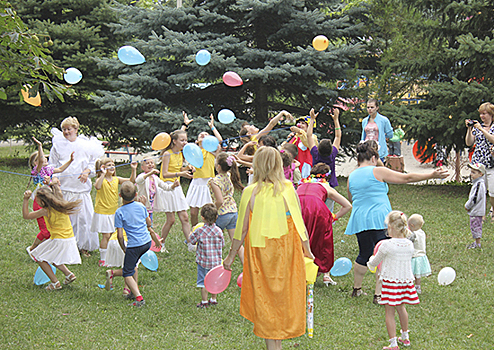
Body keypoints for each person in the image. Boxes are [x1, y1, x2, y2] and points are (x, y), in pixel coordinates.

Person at [223, 146, 314, 350]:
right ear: (278, 165)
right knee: (283, 296)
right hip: (287, 250)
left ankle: (273, 346)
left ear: (257, 165)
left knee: (265, 298)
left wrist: (230, 257)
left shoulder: (250, 192)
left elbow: (241, 230)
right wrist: (307, 249)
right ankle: (276, 345)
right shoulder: (288, 188)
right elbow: (300, 224)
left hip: (260, 253)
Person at [344, 141, 447, 302]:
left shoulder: (352, 176)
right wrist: (432, 175)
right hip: (379, 218)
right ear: (373, 158)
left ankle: (356, 289)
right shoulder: (378, 171)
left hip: (360, 219)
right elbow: (407, 178)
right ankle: (379, 294)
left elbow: (351, 198)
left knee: (364, 253)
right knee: (384, 255)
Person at [49, 116, 104, 257]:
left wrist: (87, 172)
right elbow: (52, 165)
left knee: (83, 220)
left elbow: (94, 163)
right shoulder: (57, 145)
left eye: (69, 129)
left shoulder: (85, 145)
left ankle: (84, 247)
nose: (66, 132)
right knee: (68, 220)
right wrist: (54, 177)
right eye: (64, 129)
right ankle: (67, 247)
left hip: (81, 188)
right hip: (64, 188)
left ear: (76, 129)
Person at [367, 211, 419, 350]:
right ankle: (405, 337)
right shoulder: (409, 244)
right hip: (405, 281)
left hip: (391, 281)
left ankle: (393, 344)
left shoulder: (386, 245)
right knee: (401, 307)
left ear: (390, 227)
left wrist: (370, 262)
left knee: (389, 312)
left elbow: (375, 261)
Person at [106, 181, 161, 307]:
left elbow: (120, 236)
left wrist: (124, 248)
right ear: (136, 194)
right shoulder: (141, 206)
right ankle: (126, 287)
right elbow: (148, 222)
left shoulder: (119, 212)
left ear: (120, 195)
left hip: (134, 245)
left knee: (127, 273)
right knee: (131, 267)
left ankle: (139, 299)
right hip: (146, 242)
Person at [297, 163, 352, 286]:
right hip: (317, 209)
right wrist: (333, 217)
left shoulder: (301, 184)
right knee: (322, 240)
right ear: (327, 177)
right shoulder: (326, 187)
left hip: (298, 208)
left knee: (300, 239)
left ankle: (298, 270)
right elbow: (348, 205)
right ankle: (325, 273)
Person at [22, 178, 81, 290]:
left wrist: (25, 199)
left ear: (42, 202)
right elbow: (58, 190)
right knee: (52, 255)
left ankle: (55, 283)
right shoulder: (60, 202)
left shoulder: (45, 210)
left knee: (37, 255)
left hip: (59, 240)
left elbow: (26, 216)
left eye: (37, 200)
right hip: (69, 239)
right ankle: (69, 275)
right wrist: (54, 184)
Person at [26, 137, 74, 255]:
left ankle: (45, 248)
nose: (45, 159)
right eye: (41, 159)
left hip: (49, 200)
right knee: (45, 230)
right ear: (35, 163)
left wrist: (70, 160)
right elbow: (41, 161)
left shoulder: (49, 169)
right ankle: (32, 249)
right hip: (40, 201)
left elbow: (61, 169)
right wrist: (40, 146)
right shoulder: (37, 171)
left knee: (50, 227)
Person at [91, 158, 138, 267]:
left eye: (113, 164)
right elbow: (97, 186)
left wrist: (133, 170)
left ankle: (109, 256)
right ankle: (103, 259)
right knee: (106, 236)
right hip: (102, 212)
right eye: (109, 165)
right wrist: (102, 174)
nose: (112, 167)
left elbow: (131, 181)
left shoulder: (116, 179)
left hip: (113, 211)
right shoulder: (101, 180)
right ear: (103, 168)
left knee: (112, 235)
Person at [159, 129, 195, 252]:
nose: (185, 142)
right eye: (182, 140)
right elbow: (164, 173)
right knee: (171, 220)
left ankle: (190, 244)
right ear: (174, 141)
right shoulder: (167, 154)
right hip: (167, 186)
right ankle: (161, 243)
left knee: (184, 217)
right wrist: (182, 173)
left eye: (186, 140)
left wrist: (188, 168)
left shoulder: (180, 153)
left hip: (176, 185)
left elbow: (179, 168)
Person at [185, 113, 223, 227]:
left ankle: (209, 229)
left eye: (206, 134)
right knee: (193, 212)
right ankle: (195, 230)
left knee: (209, 211)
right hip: (196, 182)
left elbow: (220, 140)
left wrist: (212, 126)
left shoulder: (211, 151)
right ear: (197, 141)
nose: (203, 135)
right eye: (201, 135)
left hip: (209, 183)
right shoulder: (193, 150)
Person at [208, 153, 245, 264]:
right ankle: (246, 265)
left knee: (212, 241)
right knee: (236, 242)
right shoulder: (229, 175)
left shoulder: (215, 181)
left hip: (222, 214)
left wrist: (212, 210)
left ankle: (214, 265)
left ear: (218, 166)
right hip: (233, 212)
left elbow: (219, 201)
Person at [189, 203, 224, 308]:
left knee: (203, 282)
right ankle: (213, 299)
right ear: (216, 217)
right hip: (216, 263)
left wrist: (192, 232)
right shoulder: (219, 231)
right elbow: (222, 244)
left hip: (203, 262)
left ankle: (204, 302)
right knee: (214, 281)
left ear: (202, 218)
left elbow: (191, 241)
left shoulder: (199, 231)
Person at [465, 102, 494, 221]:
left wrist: (482, 129)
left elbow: (492, 139)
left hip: (491, 162)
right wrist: (469, 129)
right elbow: (469, 142)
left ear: (491, 115)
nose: (482, 116)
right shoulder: (477, 128)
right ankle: (481, 214)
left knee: (492, 191)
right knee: (480, 190)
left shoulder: (491, 128)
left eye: (485, 114)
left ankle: (493, 210)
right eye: (481, 114)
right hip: (478, 164)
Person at [135, 157, 179, 224]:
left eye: (152, 163)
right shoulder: (143, 176)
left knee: (149, 224)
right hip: (141, 206)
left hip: (150, 207)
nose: (150, 164)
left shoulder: (155, 178)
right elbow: (138, 180)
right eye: (147, 163)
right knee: (142, 224)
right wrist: (149, 173)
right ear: (143, 167)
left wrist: (173, 185)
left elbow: (165, 187)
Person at [407, 214, 431, 294]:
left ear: (412, 225)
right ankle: (418, 287)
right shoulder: (422, 232)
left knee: (410, 274)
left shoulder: (413, 234)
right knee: (418, 275)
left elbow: (409, 241)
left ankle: (409, 288)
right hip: (422, 256)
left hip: (414, 257)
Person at [464, 163, 486, 249]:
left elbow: (475, 198)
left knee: (476, 226)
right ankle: (476, 242)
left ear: (481, 174)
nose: (471, 174)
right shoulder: (477, 184)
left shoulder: (479, 185)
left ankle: (478, 244)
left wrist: (468, 206)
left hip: (476, 210)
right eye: (471, 172)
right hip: (475, 210)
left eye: (474, 172)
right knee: (474, 226)